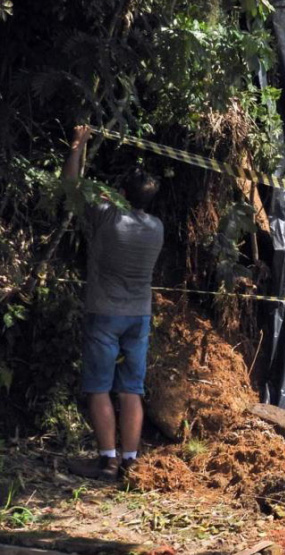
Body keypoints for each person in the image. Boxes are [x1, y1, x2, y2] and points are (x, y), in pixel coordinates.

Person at [64, 125, 164, 481]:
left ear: (121, 194)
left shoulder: (107, 216)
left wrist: (78, 144)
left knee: (98, 387)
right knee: (131, 389)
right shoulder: (156, 227)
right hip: (139, 317)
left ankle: (107, 460)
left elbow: (71, 186)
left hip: (105, 314)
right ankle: (130, 462)